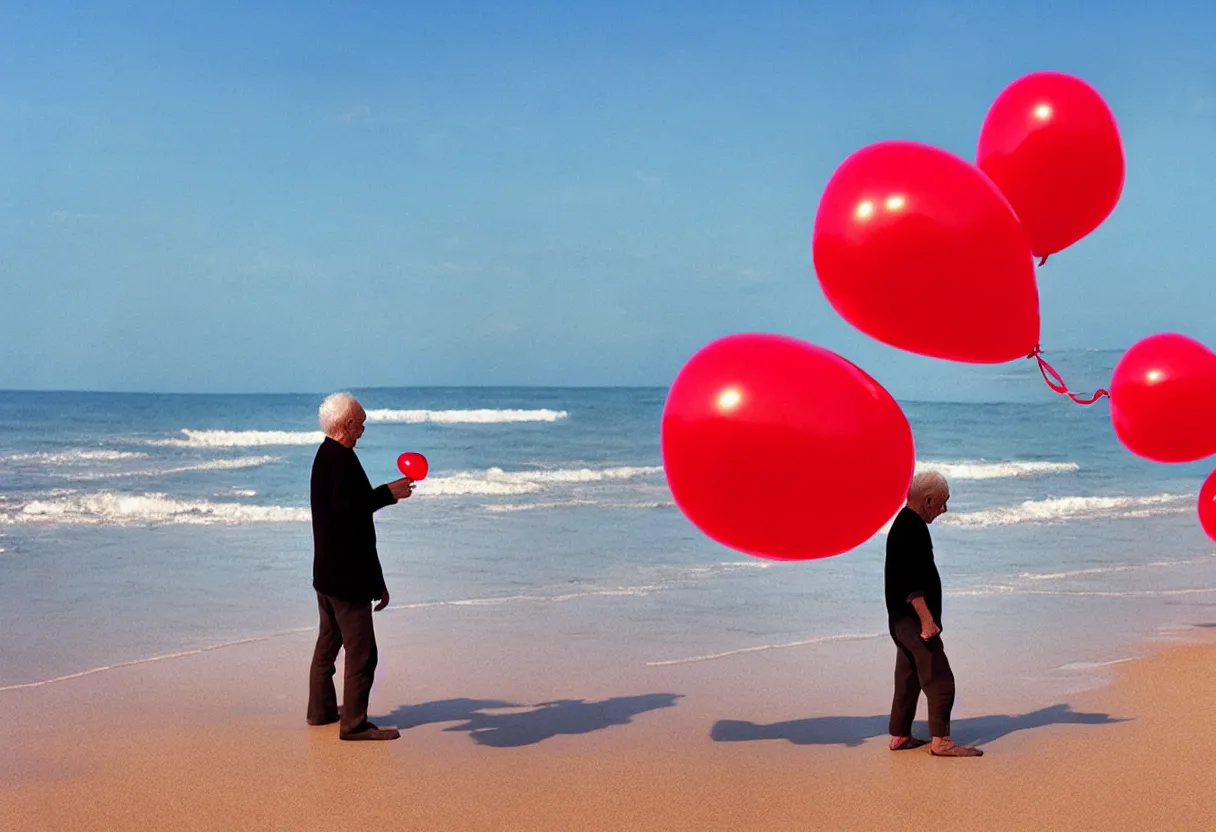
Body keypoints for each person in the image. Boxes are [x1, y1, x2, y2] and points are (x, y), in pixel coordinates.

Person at [306, 392, 415, 741]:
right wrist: (388, 493)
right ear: (347, 425)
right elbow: (350, 513)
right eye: (361, 423)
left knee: (329, 642)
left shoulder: (328, 454)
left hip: (327, 573)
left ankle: (321, 710)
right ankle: (353, 724)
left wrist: (378, 580)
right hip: (345, 577)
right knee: (362, 651)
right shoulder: (338, 460)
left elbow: (350, 516)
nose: (363, 429)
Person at [884, 471, 982, 758]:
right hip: (914, 620)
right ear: (927, 500)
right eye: (942, 502)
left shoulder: (904, 525)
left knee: (909, 676)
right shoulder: (911, 528)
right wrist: (926, 619)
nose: (944, 509)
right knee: (939, 678)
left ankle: (900, 735)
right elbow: (911, 581)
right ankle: (942, 742)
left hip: (899, 620)